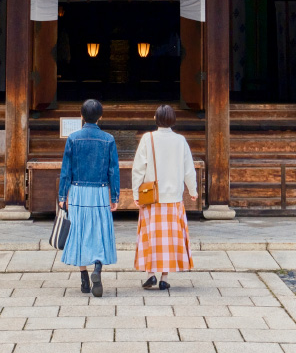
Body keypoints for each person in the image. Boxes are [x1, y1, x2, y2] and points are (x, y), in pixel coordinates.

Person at [57, 98, 119, 297]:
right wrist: (115, 196)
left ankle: (84, 279)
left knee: (80, 233)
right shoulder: (108, 139)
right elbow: (113, 170)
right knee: (99, 232)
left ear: (81, 115)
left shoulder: (73, 138)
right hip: (100, 192)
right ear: (101, 116)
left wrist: (62, 195)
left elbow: (66, 170)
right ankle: (97, 269)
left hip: (77, 192)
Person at [132, 104, 197, 290]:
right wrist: (193, 191)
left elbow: (138, 169)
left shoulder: (148, 138)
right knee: (170, 239)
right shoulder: (180, 141)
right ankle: (164, 277)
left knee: (151, 236)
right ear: (173, 120)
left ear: (156, 119)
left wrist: (136, 192)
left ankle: (150, 273)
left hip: (151, 197)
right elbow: (188, 170)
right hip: (174, 198)